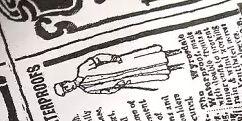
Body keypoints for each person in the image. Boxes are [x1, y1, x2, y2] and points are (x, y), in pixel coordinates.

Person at [54, 46, 186, 96]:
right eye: (66, 90)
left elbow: (98, 58)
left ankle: (177, 51)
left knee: (148, 59)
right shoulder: (87, 89)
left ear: (66, 81)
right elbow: (106, 91)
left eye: (65, 86)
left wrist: (113, 58)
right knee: (147, 73)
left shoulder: (82, 70)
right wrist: (118, 86)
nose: (68, 88)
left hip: (121, 65)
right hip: (123, 79)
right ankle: (179, 66)